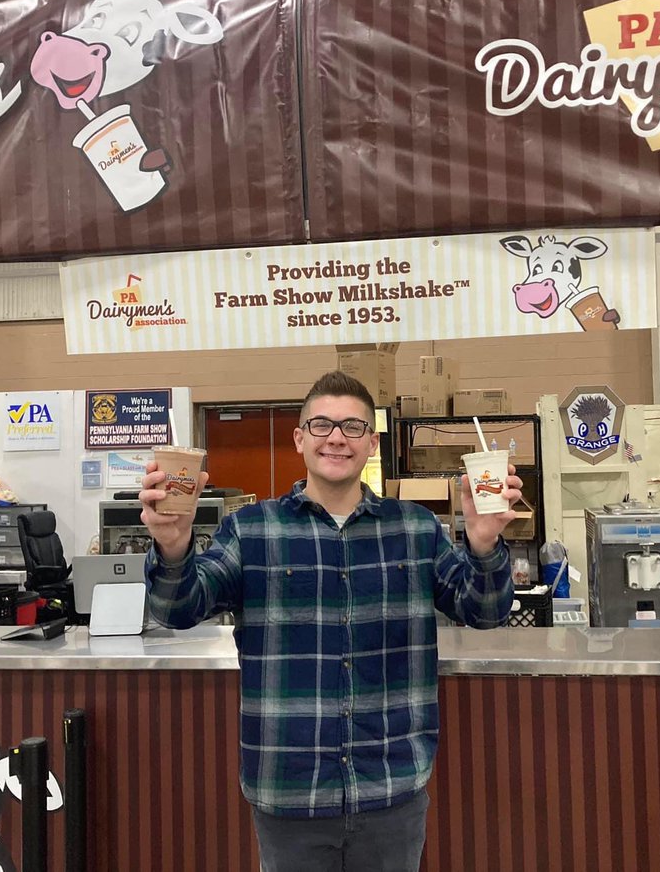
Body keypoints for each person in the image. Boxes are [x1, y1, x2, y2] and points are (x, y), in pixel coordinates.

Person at [140, 371, 523, 872]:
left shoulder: (415, 528)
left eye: (352, 427)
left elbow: (485, 612)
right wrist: (172, 547)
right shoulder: (252, 531)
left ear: (371, 443)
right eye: (321, 425)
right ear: (299, 438)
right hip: (289, 792)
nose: (336, 437)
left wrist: (484, 542)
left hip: (391, 788)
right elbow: (178, 611)